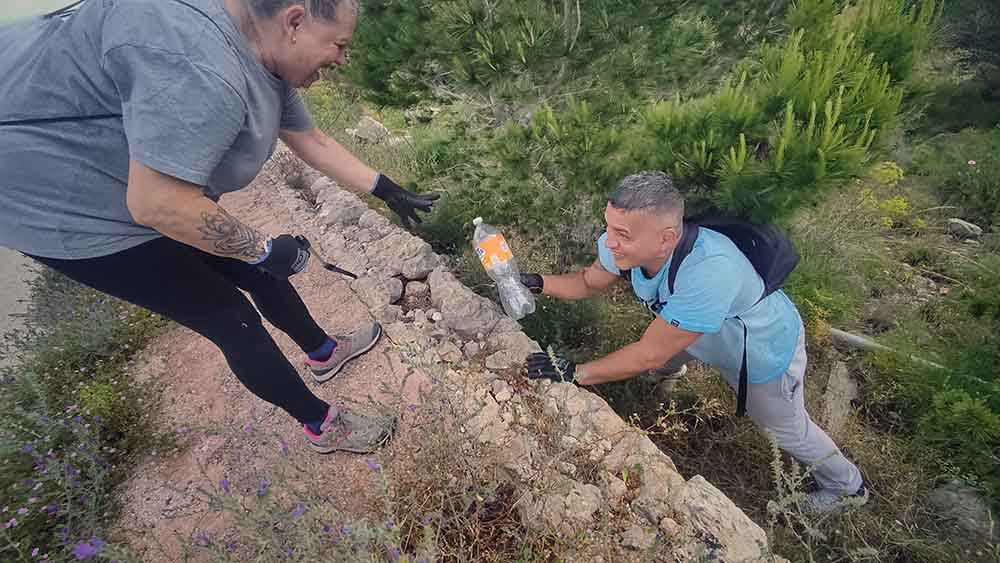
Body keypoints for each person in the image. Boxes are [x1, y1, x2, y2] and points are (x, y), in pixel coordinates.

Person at [0, 0, 439, 454]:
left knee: (255, 269)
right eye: (340, 46)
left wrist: (385, 188)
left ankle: (323, 352)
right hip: (60, 205)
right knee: (228, 315)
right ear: (294, 22)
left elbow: (312, 139)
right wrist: (266, 249)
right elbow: (159, 203)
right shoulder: (202, 70)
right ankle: (320, 424)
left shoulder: (263, 52)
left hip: (141, 182)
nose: (343, 60)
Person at [520, 171, 867, 514]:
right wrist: (536, 281)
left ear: (666, 239)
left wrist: (573, 372)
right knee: (671, 344)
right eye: (608, 226)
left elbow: (647, 353)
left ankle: (848, 487)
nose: (609, 242)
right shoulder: (623, 245)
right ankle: (672, 373)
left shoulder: (710, 271)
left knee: (785, 430)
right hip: (700, 330)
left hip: (758, 348)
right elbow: (587, 281)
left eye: (622, 234)